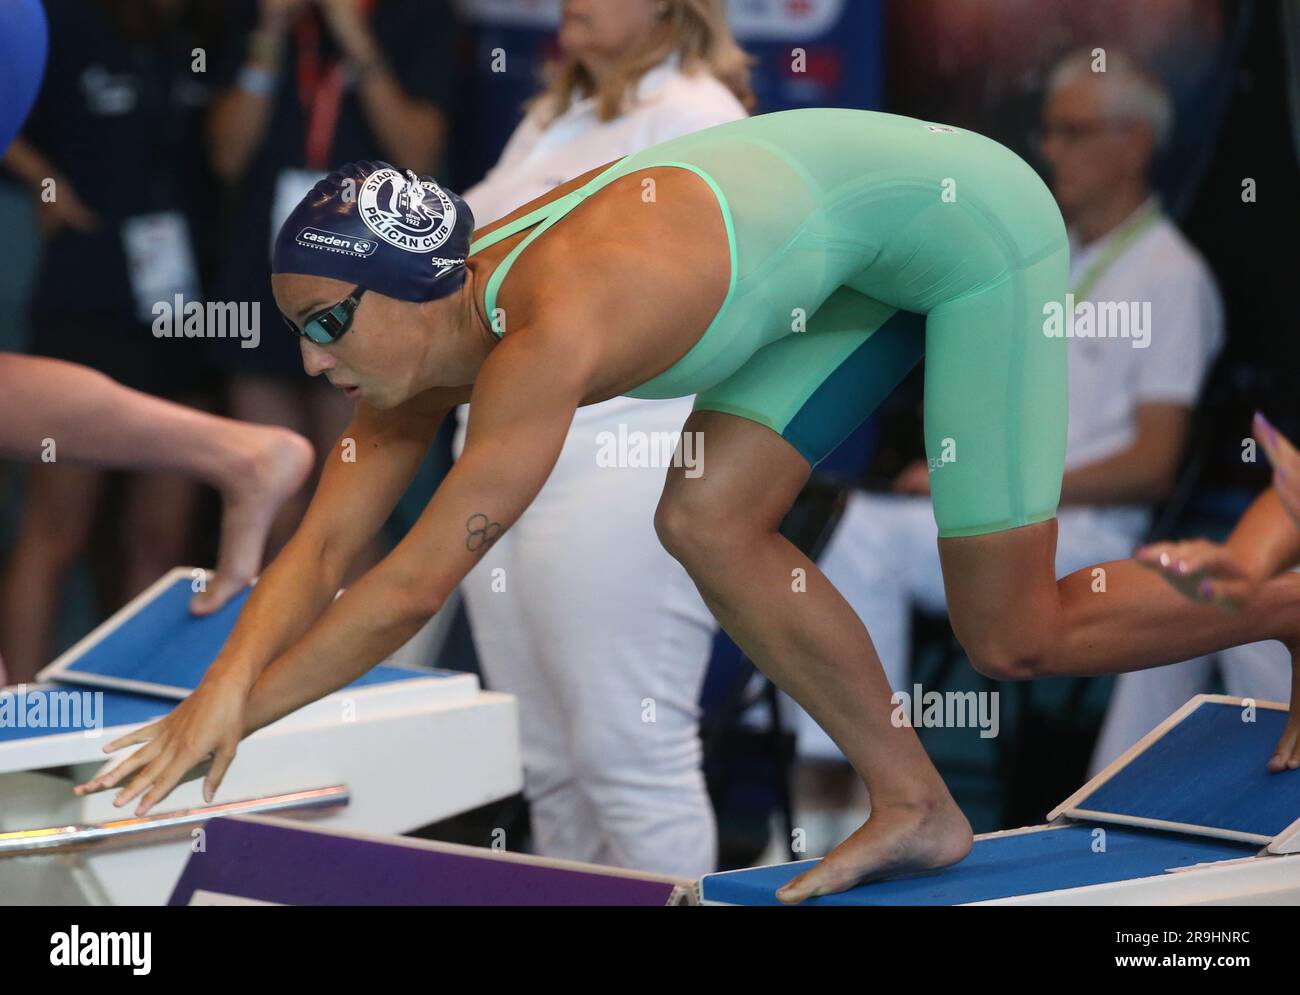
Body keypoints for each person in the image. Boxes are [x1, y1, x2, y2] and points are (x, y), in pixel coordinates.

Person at [78, 110, 1300, 905]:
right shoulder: (412, 349)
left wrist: (241, 724)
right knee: (707, 518)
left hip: (965, 224)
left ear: (412, 290)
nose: (311, 362)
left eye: (328, 325)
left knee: (1016, 634)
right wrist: (215, 696)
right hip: (853, 251)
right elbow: (327, 543)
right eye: (298, 332)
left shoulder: (544, 335)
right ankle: (916, 803)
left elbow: (407, 586)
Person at [784, 50, 1226, 802]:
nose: (1050, 150)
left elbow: (1154, 462)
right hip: (1009, 510)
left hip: (1088, 532)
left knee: (859, 534)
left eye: (1073, 132)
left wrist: (981, 485)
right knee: (844, 524)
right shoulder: (1051, 258)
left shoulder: (1172, 275)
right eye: (1048, 132)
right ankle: (855, 785)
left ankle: (861, 789)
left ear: (1135, 144)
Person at [451, 0, 750, 877]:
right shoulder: (553, 113)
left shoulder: (700, 116)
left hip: (624, 453)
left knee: (630, 758)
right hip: (505, 454)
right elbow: (469, 238)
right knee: (545, 764)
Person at [1, 0, 231, 677]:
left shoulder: (205, 28)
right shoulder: (66, 21)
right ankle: (18, 714)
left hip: (183, 298)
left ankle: (129, 714)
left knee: (161, 538)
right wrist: (43, 183)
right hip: (88, 286)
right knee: (56, 530)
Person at [206, 0, 457, 557]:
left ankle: (343, 642)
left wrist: (352, 34)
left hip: (363, 276)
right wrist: (269, 32)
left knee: (342, 503)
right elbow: (226, 154)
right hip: (263, 270)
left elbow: (420, 149)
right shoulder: (262, 17)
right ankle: (273, 638)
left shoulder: (417, 17)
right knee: (268, 495)